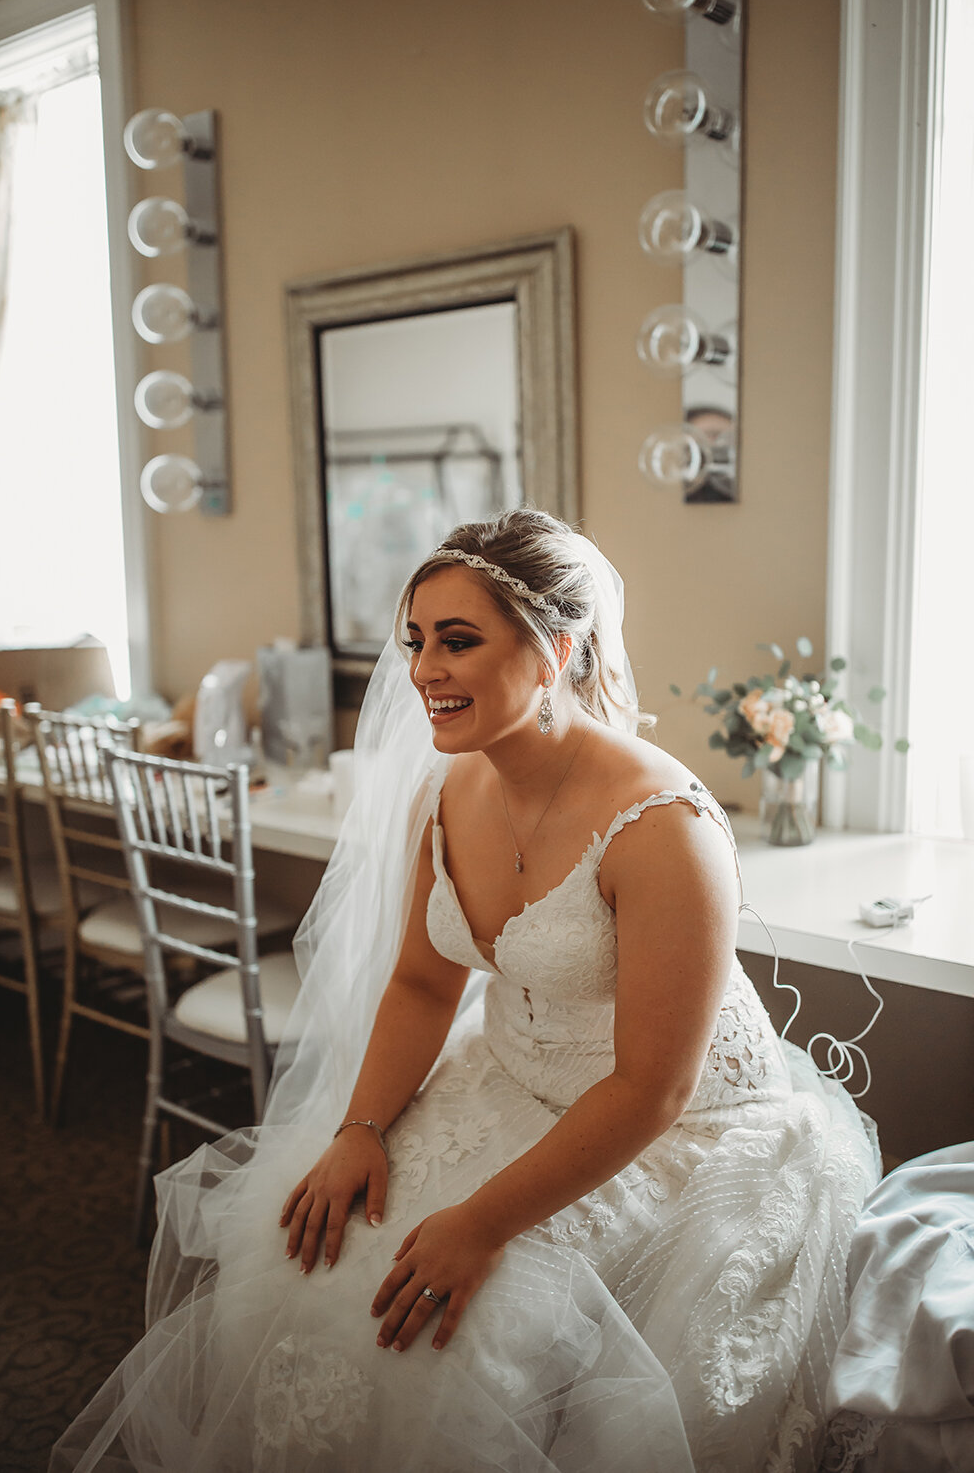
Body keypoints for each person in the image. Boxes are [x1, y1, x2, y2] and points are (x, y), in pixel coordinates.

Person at [51, 508, 879, 1473]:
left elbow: (655, 1088)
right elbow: (416, 982)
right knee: (312, 1260)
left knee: (470, 1341)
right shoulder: (446, 795)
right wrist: (359, 1129)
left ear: (556, 650)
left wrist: (482, 1222)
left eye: (457, 641)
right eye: (414, 642)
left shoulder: (664, 827)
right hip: (508, 1074)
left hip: (673, 1129)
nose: (423, 671)